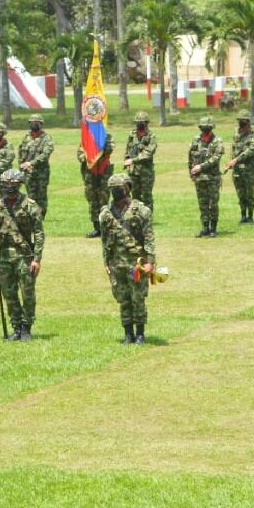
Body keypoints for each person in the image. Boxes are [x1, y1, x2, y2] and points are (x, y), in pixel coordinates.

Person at [0, 169, 45, 341]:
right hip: (3, 257)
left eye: (13, 184)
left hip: (25, 257)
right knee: (9, 294)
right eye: (6, 184)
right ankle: (16, 327)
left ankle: (27, 327)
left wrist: (37, 259)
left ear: (19, 185)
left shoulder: (30, 206)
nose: (9, 187)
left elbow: (39, 233)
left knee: (27, 293)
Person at [99, 173, 155, 345]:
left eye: (119, 188)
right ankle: (128, 333)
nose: (116, 192)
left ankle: (140, 333)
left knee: (137, 298)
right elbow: (105, 239)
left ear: (127, 188)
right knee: (123, 299)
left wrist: (151, 262)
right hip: (117, 263)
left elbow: (149, 237)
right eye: (113, 189)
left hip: (136, 263)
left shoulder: (141, 211)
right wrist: (106, 262)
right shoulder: (106, 213)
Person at [188, 116, 224, 237]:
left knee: (213, 204)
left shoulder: (217, 141)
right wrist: (191, 173)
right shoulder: (195, 140)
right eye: (203, 127)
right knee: (202, 204)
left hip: (213, 178)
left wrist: (201, 167)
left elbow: (216, 158)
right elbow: (191, 157)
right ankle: (205, 228)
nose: (205, 129)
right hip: (199, 179)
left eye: (207, 127)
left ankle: (213, 228)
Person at [224, 110, 254, 224]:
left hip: (248, 170)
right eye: (240, 121)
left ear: (249, 122)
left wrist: (236, 160)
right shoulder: (236, 133)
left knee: (249, 193)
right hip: (237, 169)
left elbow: (250, 150)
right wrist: (230, 163)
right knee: (240, 193)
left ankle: (250, 216)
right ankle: (243, 215)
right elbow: (234, 149)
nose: (241, 124)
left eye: (243, 121)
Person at [76, 131, 114, 238]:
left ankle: (105, 227)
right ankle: (97, 228)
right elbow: (79, 155)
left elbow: (109, 150)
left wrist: (99, 148)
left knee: (103, 199)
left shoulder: (107, 136)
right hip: (90, 172)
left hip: (103, 173)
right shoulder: (86, 139)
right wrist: (89, 156)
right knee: (92, 200)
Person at [17, 114, 55, 214]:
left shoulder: (47, 138)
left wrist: (31, 163)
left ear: (41, 124)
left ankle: (41, 216)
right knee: (31, 196)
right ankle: (32, 216)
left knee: (41, 196)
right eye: (32, 122)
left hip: (41, 173)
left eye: (36, 123)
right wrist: (21, 165)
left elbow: (46, 154)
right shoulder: (26, 137)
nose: (34, 124)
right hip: (28, 173)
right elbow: (21, 152)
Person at [123, 111, 157, 210]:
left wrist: (133, 160)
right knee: (135, 196)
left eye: (142, 122)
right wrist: (126, 160)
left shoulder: (151, 136)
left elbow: (148, 153)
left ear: (146, 123)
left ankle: (148, 218)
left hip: (146, 172)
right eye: (138, 122)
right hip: (133, 172)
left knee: (147, 197)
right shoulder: (132, 135)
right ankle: (137, 218)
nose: (139, 124)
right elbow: (128, 149)